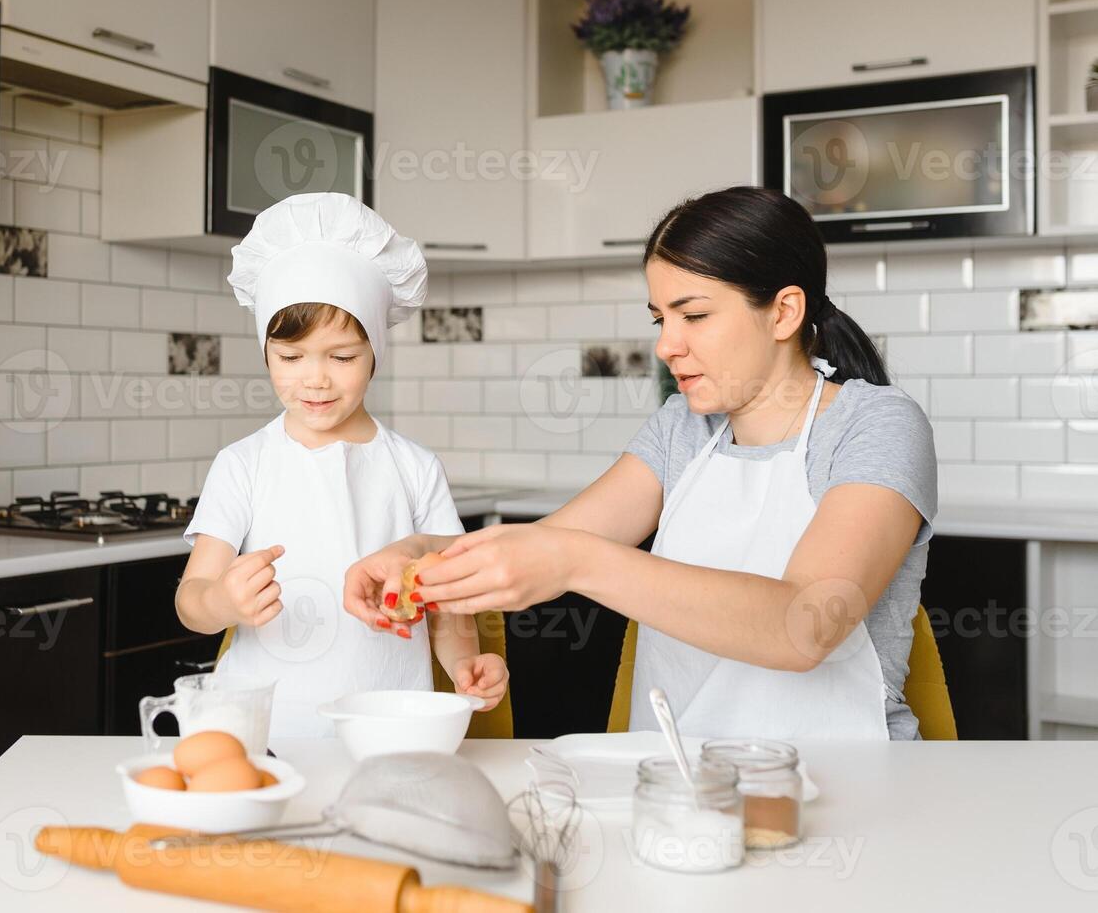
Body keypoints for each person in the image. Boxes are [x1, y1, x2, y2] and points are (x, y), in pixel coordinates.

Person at [344, 185, 938, 740]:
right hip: (675, 786)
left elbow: (807, 625)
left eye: (694, 315)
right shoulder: (683, 427)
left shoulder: (877, 424)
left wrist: (575, 563)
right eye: (661, 319)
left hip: (848, 790)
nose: (666, 345)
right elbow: (538, 549)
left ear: (783, 312)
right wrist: (422, 557)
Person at [177, 192, 508, 738]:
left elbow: (447, 602)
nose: (315, 379)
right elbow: (192, 601)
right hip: (262, 737)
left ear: (376, 351)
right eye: (290, 357)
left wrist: (462, 665)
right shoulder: (242, 464)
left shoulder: (416, 468)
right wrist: (221, 601)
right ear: (265, 354)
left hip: (389, 728)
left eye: (342, 357)